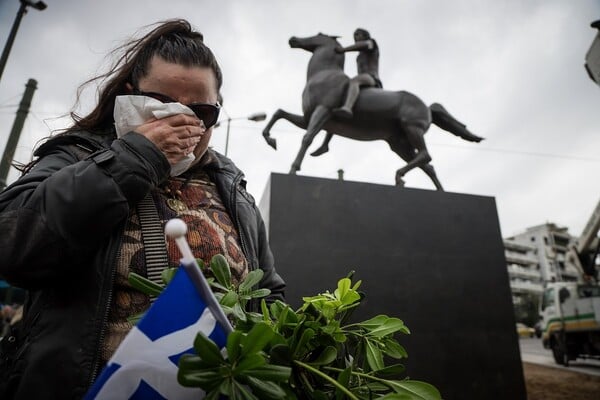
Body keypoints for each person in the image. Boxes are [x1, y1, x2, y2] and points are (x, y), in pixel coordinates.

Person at [0, 19, 285, 399]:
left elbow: (267, 292)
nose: (184, 121)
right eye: (162, 105)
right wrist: (139, 156)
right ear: (130, 96)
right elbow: (12, 243)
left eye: (202, 111)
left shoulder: (231, 187)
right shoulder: (76, 157)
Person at [333, 28, 383, 119]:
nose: (355, 37)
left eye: (358, 34)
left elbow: (363, 45)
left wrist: (343, 50)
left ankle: (347, 108)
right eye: (354, 35)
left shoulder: (371, 43)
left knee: (354, 81)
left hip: (372, 78)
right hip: (363, 78)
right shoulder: (359, 55)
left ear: (365, 35)